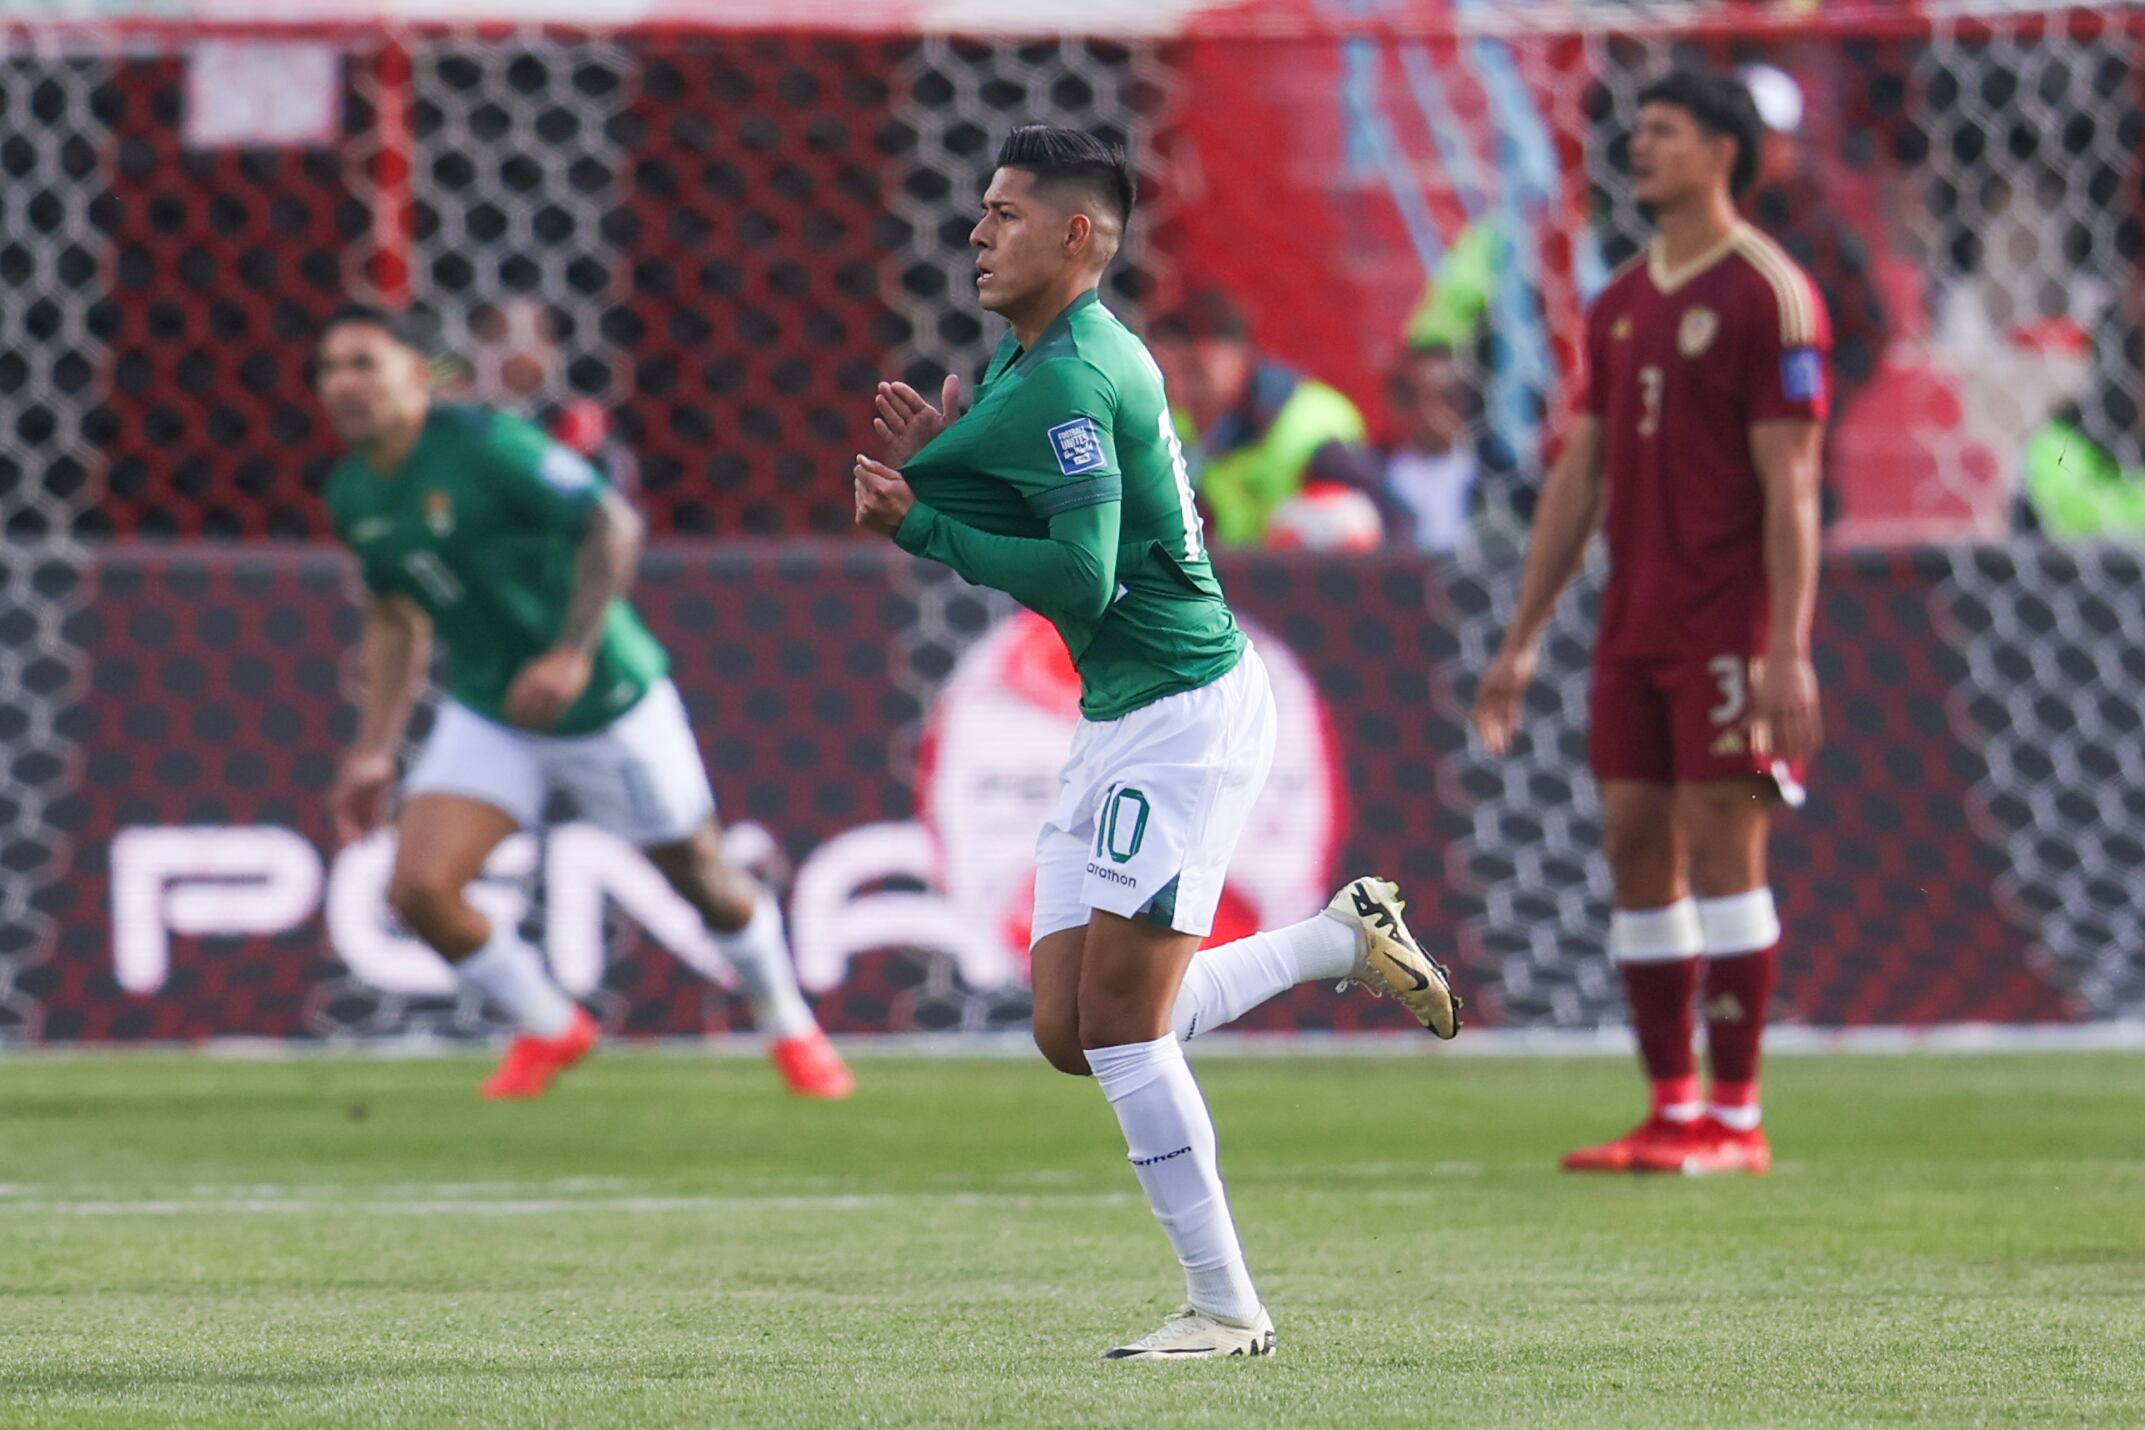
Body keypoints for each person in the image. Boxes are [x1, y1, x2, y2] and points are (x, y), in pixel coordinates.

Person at [854, 126, 1460, 1359]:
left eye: (1007, 214)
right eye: (980, 211)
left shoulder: (1075, 376)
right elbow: (1055, 516)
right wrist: (941, 473)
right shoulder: (1035, 365)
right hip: (1123, 712)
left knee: (1125, 1032)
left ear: (1077, 235)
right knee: (1071, 1030)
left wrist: (925, 523)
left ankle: (1228, 1307)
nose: (977, 233)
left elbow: (1081, 575)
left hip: (1181, 715)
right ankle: (1336, 938)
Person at [316, 303, 852, 1101]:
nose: (344, 384)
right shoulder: (354, 492)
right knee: (418, 888)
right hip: (494, 707)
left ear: (418, 371)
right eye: (330, 369)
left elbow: (612, 524)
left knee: (703, 879)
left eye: (365, 363)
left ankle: (788, 1023)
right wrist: (372, 750)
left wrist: (571, 652)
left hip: (607, 698)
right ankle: (547, 1023)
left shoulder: (487, 445)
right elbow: (395, 617)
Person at [1472, 70, 1829, 1177]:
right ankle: (1672, 1104)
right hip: (1634, 621)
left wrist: (1786, 647)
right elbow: (1582, 477)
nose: (1641, 152)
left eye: (1664, 133)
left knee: (1726, 845)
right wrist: (1525, 635)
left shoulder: (1772, 292)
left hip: (1730, 622)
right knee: (1634, 841)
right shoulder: (1621, 301)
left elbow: (1794, 486)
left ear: (1725, 151)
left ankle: (1738, 1111)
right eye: (1637, 136)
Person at [1150, 289, 1385, 549]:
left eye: (1194, 372)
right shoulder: (1171, 423)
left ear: (1240, 354)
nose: (1179, 390)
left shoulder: (1313, 425)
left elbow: (1384, 521)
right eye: (1170, 374)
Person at [1380, 342, 1480, 553]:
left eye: (1448, 397)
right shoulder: (1381, 475)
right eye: (1415, 397)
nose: (1431, 412)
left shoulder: (1486, 477)